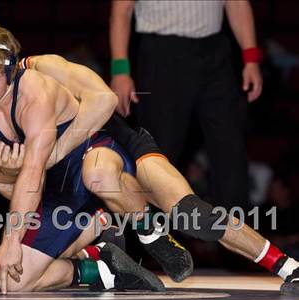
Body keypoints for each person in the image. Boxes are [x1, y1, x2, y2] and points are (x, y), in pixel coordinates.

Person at [0, 54, 299, 296]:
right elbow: (26, 193)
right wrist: (6, 174)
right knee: (22, 270)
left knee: (194, 215)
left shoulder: (43, 68)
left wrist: (50, 155)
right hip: (74, 182)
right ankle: (101, 259)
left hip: (115, 147)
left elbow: (104, 99)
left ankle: (288, 266)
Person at [0, 17, 174, 294]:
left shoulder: (33, 92)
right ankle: (100, 267)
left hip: (88, 158)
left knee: (89, 178)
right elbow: (19, 183)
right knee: (14, 282)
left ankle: (115, 223)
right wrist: (5, 173)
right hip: (53, 184)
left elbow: (32, 172)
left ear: (9, 72)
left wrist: (11, 239)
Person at [110, 0, 263, 212]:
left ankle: (236, 232)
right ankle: (151, 233)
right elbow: (122, 9)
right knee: (159, 150)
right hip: (163, 55)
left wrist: (251, 58)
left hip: (215, 51)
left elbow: (236, 3)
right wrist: (120, 70)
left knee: (230, 147)